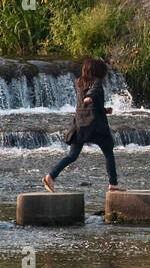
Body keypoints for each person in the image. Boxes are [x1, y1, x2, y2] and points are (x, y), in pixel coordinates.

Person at [43, 58, 122, 193]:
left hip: (80, 124)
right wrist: (90, 97)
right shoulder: (97, 82)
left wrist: (103, 110)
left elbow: (88, 105)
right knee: (108, 152)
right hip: (96, 126)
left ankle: (50, 177)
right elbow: (93, 93)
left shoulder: (80, 83)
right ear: (97, 71)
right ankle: (113, 184)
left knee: (72, 156)